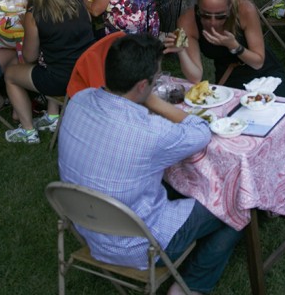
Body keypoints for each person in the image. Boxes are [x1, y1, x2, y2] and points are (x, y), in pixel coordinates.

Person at [58, 34, 241, 295]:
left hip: (88, 226)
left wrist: (142, 96)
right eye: (155, 79)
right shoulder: (150, 132)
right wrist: (152, 100)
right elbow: (201, 132)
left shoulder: (79, 100)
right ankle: (190, 287)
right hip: (143, 246)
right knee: (236, 198)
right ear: (143, 85)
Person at [3, 0, 94, 143]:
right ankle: (52, 117)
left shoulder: (34, 13)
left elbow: (29, 57)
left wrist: (27, 27)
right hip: (87, 69)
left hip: (62, 78)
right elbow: (88, 22)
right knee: (52, 57)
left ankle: (28, 131)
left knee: (10, 74)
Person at [167, 0, 285, 96]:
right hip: (230, 75)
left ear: (230, 7)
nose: (213, 22)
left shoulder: (245, 9)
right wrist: (181, 52)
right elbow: (196, 77)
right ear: (198, 7)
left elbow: (258, 63)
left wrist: (234, 47)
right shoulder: (188, 21)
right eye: (205, 15)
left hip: (265, 73)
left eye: (220, 16)